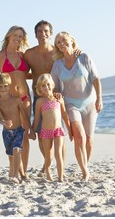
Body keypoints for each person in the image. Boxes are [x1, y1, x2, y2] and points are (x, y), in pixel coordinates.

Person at [24, 20, 80, 176]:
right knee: (43, 134)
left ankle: (60, 167)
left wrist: (77, 51)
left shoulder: (56, 51)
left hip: (56, 95)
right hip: (38, 97)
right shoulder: (29, 54)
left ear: (50, 33)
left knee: (58, 131)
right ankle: (47, 163)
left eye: (46, 31)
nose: (43, 34)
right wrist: (35, 77)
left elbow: (71, 55)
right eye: (40, 31)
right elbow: (22, 72)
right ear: (35, 35)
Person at [51, 31, 103, 182]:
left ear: (72, 40)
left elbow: (96, 79)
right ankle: (85, 172)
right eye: (58, 42)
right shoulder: (57, 65)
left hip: (90, 103)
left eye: (64, 40)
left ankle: (85, 165)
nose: (62, 43)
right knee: (79, 137)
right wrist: (57, 94)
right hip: (71, 104)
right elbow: (54, 86)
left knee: (89, 140)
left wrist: (99, 98)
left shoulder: (84, 57)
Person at [0, 26, 32, 180]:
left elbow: (28, 74)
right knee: (11, 134)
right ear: (8, 36)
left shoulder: (23, 55)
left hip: (25, 98)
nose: (18, 38)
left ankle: (23, 172)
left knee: (24, 135)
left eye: (21, 36)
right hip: (8, 103)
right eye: (15, 35)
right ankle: (14, 169)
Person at [0, 73, 36, 184]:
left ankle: (15, 175)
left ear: (10, 86)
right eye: (0, 86)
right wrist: (4, 122)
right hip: (7, 133)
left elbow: (25, 116)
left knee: (17, 150)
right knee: (12, 155)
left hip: (19, 130)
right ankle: (22, 174)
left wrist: (30, 129)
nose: (3, 88)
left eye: (5, 86)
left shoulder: (17, 100)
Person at [32, 74, 72, 182]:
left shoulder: (59, 99)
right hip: (46, 132)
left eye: (48, 84)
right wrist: (32, 131)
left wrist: (70, 130)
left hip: (58, 130)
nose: (46, 87)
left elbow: (64, 115)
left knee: (58, 153)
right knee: (48, 156)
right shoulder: (39, 101)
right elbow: (36, 118)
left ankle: (60, 177)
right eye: (43, 85)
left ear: (52, 85)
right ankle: (48, 172)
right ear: (40, 88)